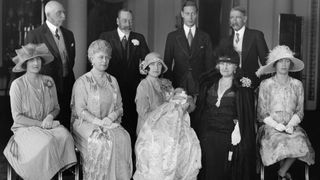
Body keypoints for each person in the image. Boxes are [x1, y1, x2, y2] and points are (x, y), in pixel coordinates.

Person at [3, 43, 77, 180]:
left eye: (38, 59)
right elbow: (17, 118)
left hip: (48, 125)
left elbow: (56, 107)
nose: (36, 63)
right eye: (31, 60)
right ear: (25, 63)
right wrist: (41, 124)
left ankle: (54, 173)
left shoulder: (48, 81)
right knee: (47, 141)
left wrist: (50, 116)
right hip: (25, 129)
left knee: (66, 136)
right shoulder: (17, 85)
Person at [71, 40, 132, 180]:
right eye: (100, 57)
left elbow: (120, 107)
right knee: (101, 142)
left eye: (107, 57)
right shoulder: (82, 82)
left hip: (108, 122)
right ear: (91, 58)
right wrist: (99, 122)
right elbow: (80, 111)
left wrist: (109, 119)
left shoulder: (113, 81)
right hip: (85, 124)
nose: (104, 61)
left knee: (123, 137)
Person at [134, 52, 201, 180]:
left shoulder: (166, 84)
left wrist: (186, 101)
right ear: (146, 68)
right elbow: (143, 113)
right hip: (149, 129)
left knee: (187, 142)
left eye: (159, 64)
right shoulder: (143, 85)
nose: (156, 68)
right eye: (152, 64)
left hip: (169, 127)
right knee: (165, 146)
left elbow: (181, 104)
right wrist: (167, 112)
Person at [195, 46, 256, 180]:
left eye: (229, 64)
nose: (225, 67)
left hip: (229, 134)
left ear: (235, 67)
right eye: (222, 63)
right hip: (208, 132)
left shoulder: (242, 87)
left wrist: (238, 128)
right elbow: (201, 110)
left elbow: (245, 115)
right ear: (217, 66)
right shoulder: (209, 84)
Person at [256, 45, 315, 180]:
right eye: (280, 61)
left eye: (287, 61)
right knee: (281, 141)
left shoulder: (297, 84)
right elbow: (261, 111)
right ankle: (283, 174)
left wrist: (290, 125)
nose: (284, 64)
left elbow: (300, 111)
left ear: (291, 64)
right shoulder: (266, 84)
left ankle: (282, 172)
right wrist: (276, 126)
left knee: (299, 141)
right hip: (270, 127)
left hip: (291, 126)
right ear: (275, 64)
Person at [99, 8, 150, 146]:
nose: (128, 23)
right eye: (124, 20)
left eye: (130, 20)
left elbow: (146, 61)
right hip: (111, 88)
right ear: (117, 21)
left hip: (133, 89)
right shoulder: (106, 37)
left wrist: (145, 69)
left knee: (131, 123)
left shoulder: (139, 38)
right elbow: (98, 62)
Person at [25, 1, 76, 129]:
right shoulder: (34, 35)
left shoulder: (69, 34)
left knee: (66, 123)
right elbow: (31, 65)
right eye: (59, 13)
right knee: (50, 126)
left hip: (68, 86)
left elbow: (71, 60)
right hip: (46, 88)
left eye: (64, 12)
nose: (64, 16)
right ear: (48, 15)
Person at [219, 6, 269, 89]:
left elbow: (267, 63)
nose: (234, 21)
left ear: (245, 19)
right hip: (230, 86)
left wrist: (260, 84)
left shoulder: (256, 35)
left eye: (238, 17)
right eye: (232, 17)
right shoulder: (225, 41)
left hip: (251, 85)